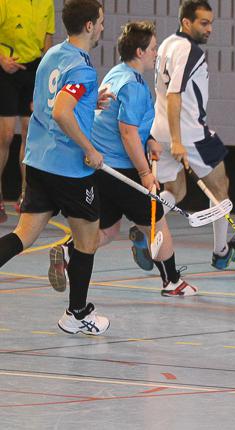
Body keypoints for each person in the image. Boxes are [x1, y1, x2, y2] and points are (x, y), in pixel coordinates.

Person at [49, 21, 199, 298]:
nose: (156, 53)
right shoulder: (134, 85)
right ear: (140, 52)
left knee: (107, 228)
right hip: (122, 170)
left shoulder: (116, 74)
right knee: (157, 225)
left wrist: (149, 140)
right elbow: (127, 133)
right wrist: (145, 173)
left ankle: (67, 251)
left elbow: (124, 123)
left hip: (100, 168)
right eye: (153, 48)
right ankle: (172, 282)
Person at [0, 0, 109, 335]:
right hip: (69, 170)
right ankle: (77, 314)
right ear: (89, 26)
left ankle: (77, 312)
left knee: (23, 235)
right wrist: (90, 149)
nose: (103, 27)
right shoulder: (81, 68)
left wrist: (89, 102)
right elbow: (61, 111)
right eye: (100, 21)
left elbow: (47, 103)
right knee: (87, 240)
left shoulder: (51, 56)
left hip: (38, 163)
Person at [147, 0, 235, 271]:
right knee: (220, 188)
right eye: (203, 23)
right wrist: (178, 141)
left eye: (211, 23)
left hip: (158, 131)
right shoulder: (190, 51)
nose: (209, 29)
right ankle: (221, 252)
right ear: (186, 22)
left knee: (174, 190)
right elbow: (174, 95)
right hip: (190, 134)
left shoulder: (166, 44)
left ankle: (145, 230)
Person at [0, 0, 55, 222]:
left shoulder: (46, 4)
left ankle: (26, 195)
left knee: (29, 133)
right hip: (6, 70)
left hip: (33, 70)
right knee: (5, 135)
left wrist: (46, 79)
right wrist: (2, 60)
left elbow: (48, 43)